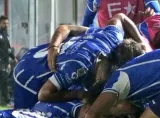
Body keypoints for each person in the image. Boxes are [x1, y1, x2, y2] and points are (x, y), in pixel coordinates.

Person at [13, 13, 145, 109]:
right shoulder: (79, 67)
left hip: (39, 54)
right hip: (29, 74)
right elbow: (44, 94)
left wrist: (141, 43)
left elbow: (120, 17)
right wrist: (79, 94)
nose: (102, 83)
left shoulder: (112, 37)